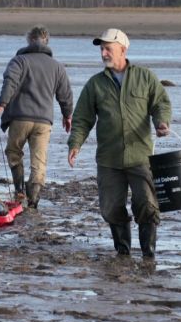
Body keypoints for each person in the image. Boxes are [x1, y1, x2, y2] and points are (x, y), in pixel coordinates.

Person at [67, 28, 172, 259]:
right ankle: (123, 252)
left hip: (140, 156)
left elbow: (160, 104)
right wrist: (75, 144)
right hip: (109, 159)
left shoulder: (145, 77)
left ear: (123, 50)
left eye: (108, 49)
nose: (103, 53)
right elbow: (83, 118)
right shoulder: (95, 84)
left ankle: (148, 253)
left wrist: (162, 122)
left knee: (147, 205)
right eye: (102, 49)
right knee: (111, 208)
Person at [0, 26, 73, 209]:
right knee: (39, 161)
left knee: (14, 152)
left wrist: (2, 105)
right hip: (44, 121)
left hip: (20, 117)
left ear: (29, 41)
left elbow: (10, 82)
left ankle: (19, 191)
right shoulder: (57, 66)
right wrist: (68, 115)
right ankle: (33, 201)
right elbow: (65, 94)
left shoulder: (19, 61)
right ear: (47, 42)